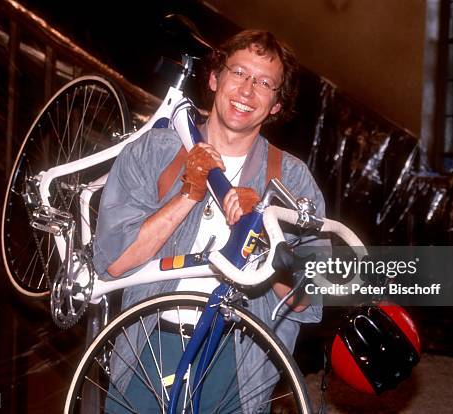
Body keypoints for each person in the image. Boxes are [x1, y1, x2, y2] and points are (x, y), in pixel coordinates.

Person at [93, 29, 325, 412]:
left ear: (276, 106)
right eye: (238, 73)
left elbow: (306, 298)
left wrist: (265, 234)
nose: (247, 91)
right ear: (215, 79)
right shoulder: (153, 152)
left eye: (264, 83)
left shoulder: (292, 180)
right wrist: (189, 193)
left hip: (235, 358)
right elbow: (114, 261)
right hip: (150, 345)